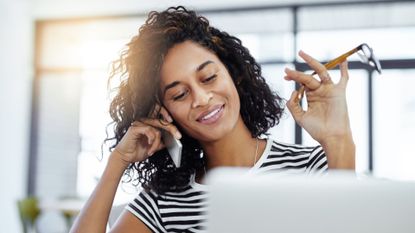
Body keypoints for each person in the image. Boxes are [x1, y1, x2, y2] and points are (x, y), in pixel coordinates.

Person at [70, 6, 355, 233]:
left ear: (234, 73)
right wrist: (118, 161)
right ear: (163, 113)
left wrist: (338, 139)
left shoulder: (311, 167)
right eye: (180, 94)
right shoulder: (164, 200)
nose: (202, 98)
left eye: (208, 77)